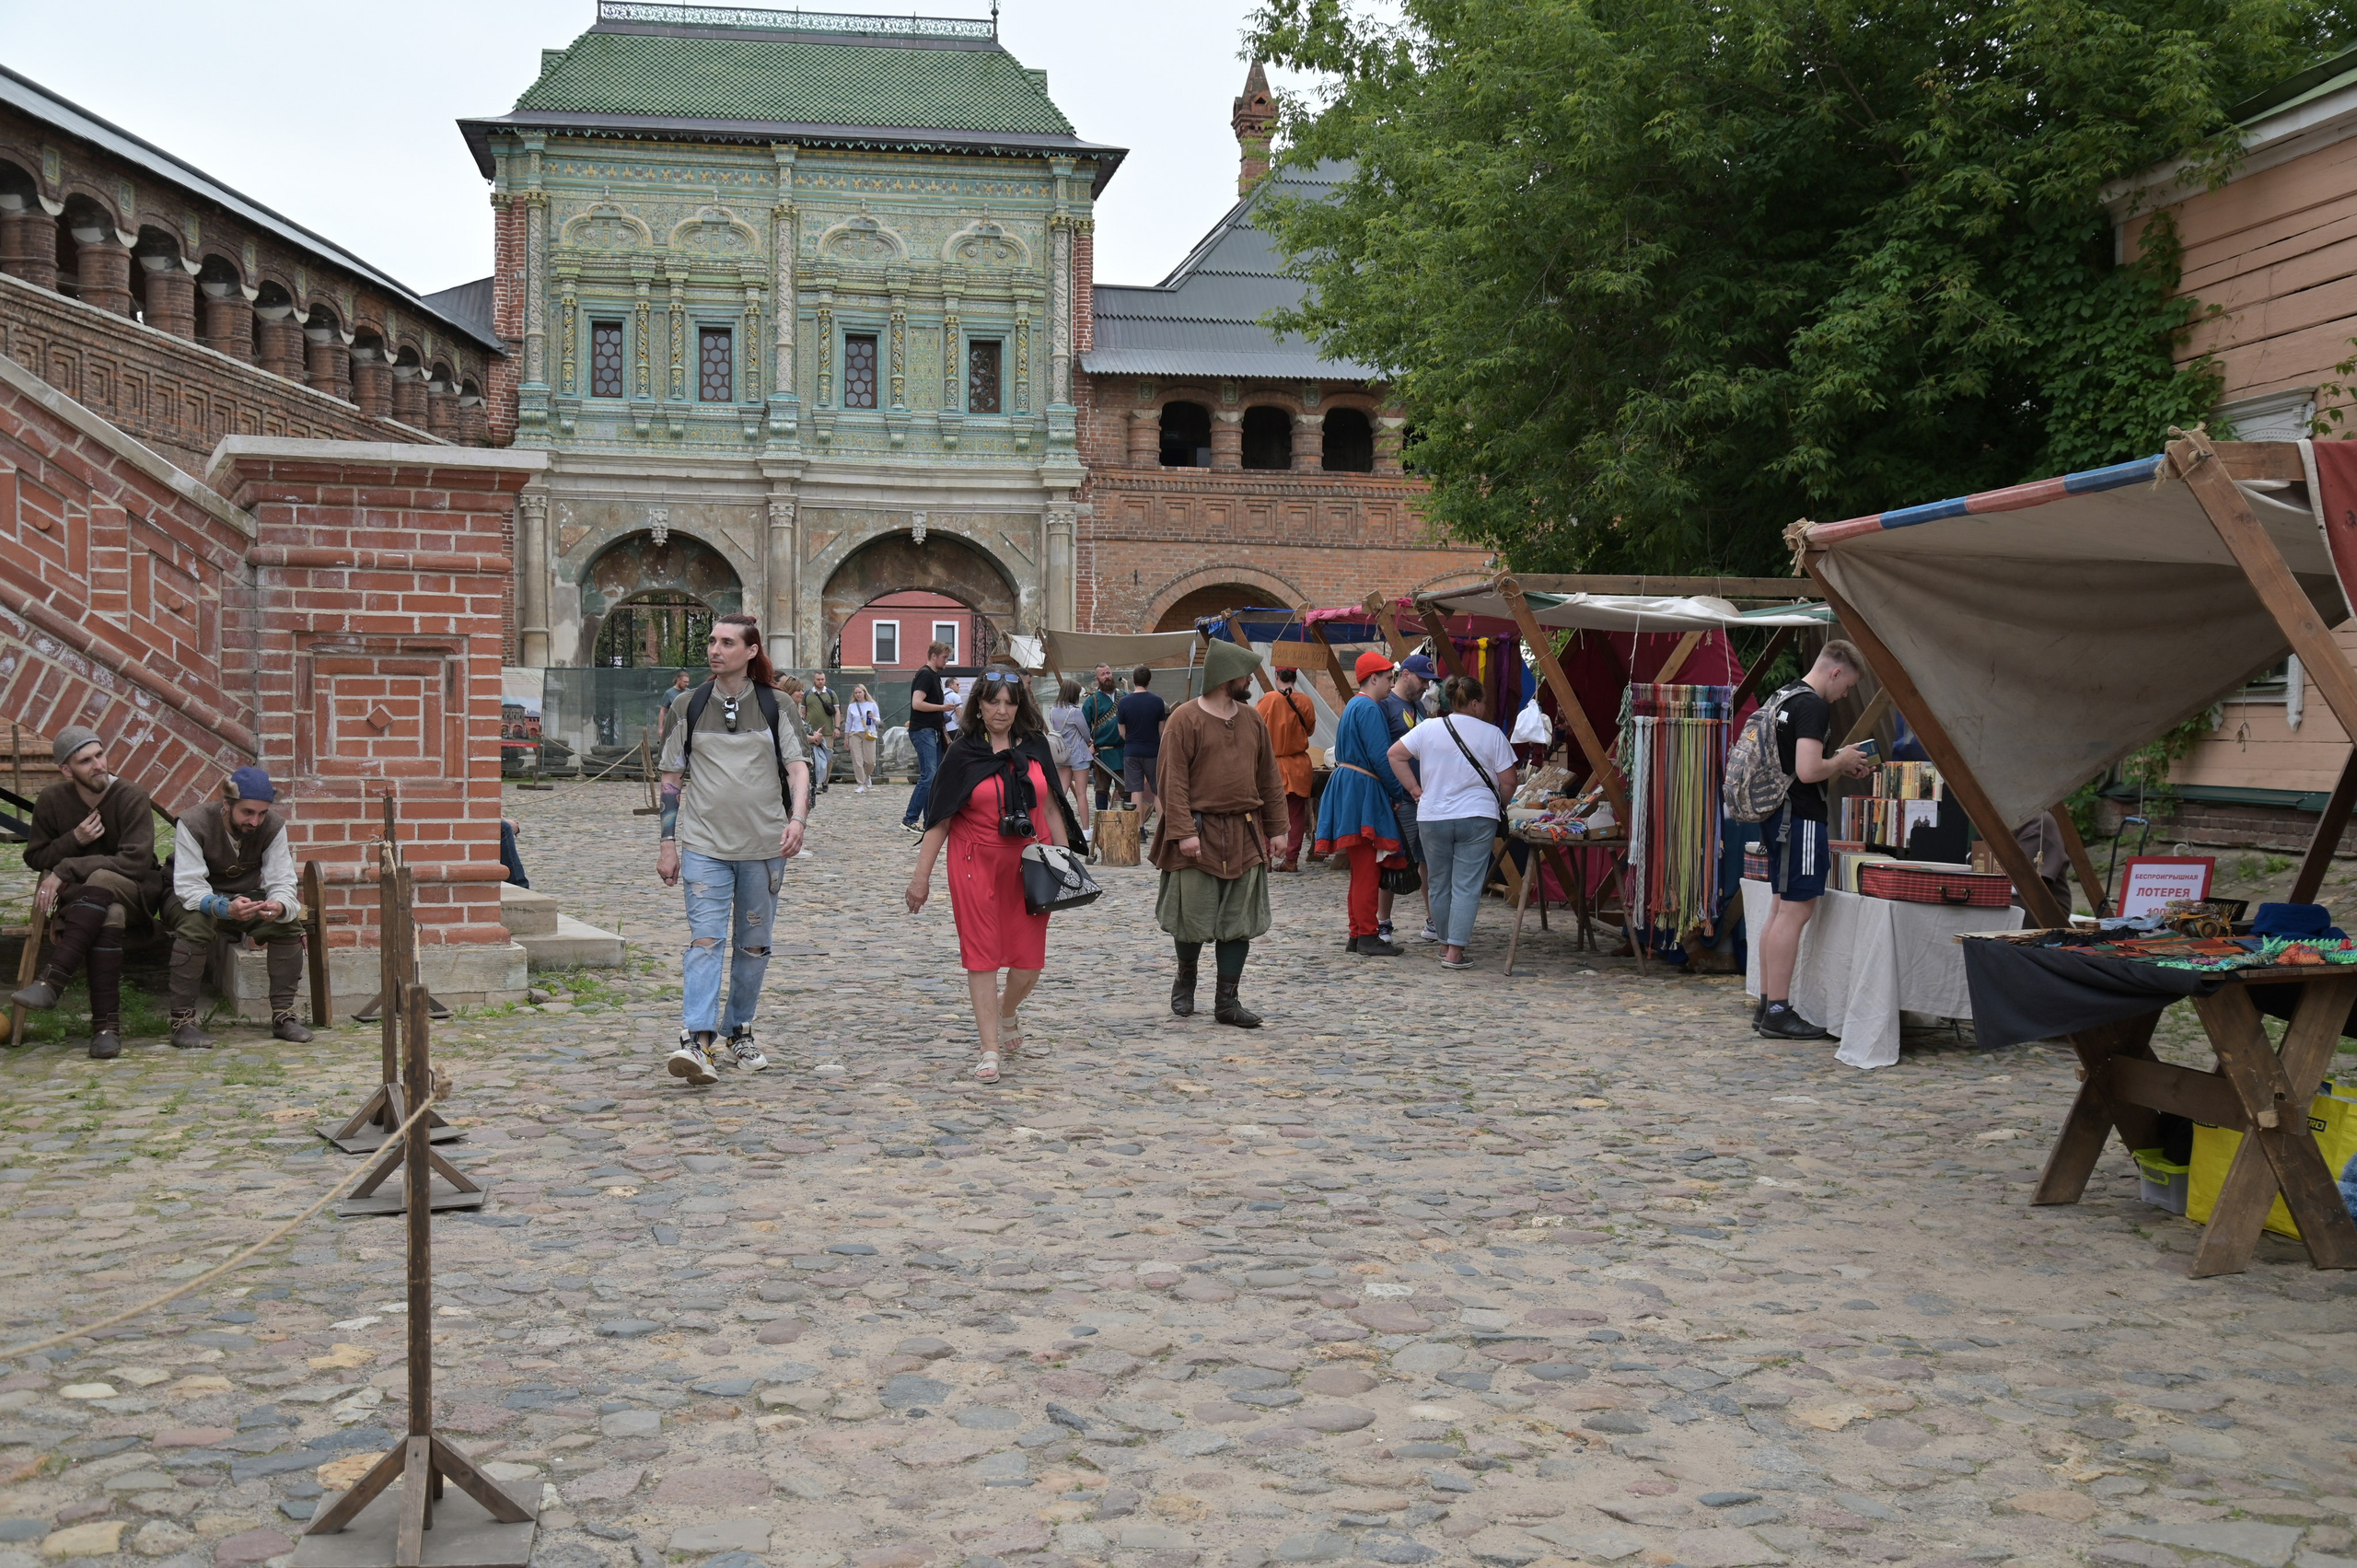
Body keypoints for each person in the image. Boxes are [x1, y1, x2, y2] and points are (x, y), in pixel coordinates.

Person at [904, 669, 1085, 1084]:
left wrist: (1065, 865)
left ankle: (1007, 1010)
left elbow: (1052, 806)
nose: (1001, 710)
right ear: (979, 705)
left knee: (1029, 963)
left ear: (1020, 706)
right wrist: (920, 878)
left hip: (1030, 864)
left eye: (1009, 702)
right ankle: (989, 1049)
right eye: (993, 702)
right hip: (975, 862)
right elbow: (940, 818)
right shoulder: (962, 752)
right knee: (982, 955)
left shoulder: (1035, 746)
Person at [657, 612, 813, 1084]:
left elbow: (798, 767)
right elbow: (671, 778)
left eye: (727, 642)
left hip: (764, 846)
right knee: (705, 941)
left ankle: (739, 1030)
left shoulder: (776, 704)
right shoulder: (688, 704)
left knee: (753, 945)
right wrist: (667, 843)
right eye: (712, 641)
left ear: (751, 651)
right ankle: (697, 1040)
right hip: (704, 845)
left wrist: (798, 820)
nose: (715, 649)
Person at [1152, 638, 1287, 1027]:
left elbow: (1269, 777)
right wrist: (1183, 831)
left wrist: (1277, 828)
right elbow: (1172, 781)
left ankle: (1227, 1002)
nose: (1250, 680)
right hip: (1199, 832)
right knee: (1192, 915)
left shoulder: (1252, 719)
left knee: (1238, 921)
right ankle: (1185, 978)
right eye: (1245, 674)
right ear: (1227, 677)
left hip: (1245, 833)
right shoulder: (1184, 720)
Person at [12, 726, 164, 1060]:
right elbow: (35, 857)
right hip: (85, 903)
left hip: (135, 892)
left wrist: (66, 868)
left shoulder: (131, 795)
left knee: (102, 877)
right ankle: (106, 1031)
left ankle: (52, 981)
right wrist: (74, 840)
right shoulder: (52, 800)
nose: (98, 765)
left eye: (100, 755)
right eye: (85, 761)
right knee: (109, 913)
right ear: (67, 770)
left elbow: (136, 862)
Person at [1756, 640, 1876, 1040]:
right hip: (1801, 819)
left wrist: (1838, 759)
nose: (1844, 695)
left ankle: (1767, 1003)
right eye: (1847, 686)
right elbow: (1808, 772)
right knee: (1794, 913)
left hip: (1777, 815)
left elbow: (1796, 762)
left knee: (1779, 910)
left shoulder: (1785, 695)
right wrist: (1839, 761)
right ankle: (1778, 1011)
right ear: (1835, 672)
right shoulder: (1812, 706)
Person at [162, 767, 314, 1050]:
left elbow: (282, 879)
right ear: (227, 804)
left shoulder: (273, 827)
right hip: (185, 897)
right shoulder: (194, 822)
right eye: (247, 812)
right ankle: (182, 1023)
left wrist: (279, 904)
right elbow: (189, 886)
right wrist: (223, 907)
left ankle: (284, 1017)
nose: (255, 821)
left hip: (242, 897)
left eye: (262, 813)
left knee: (288, 923)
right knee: (196, 924)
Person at [1389, 675, 1520, 970]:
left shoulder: (1428, 728)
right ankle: (1455, 952)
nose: (1484, 708)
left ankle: (1444, 943)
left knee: (1438, 883)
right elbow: (1509, 781)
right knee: (1466, 885)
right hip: (1477, 816)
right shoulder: (1492, 734)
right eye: (1483, 703)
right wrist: (1499, 803)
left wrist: (1414, 790)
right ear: (1474, 703)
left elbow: (1395, 754)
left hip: (1433, 815)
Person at [1313, 651, 1407, 956]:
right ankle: (1367, 935)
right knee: (1367, 869)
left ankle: (1357, 934)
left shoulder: (1354, 705)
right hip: (1362, 790)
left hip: (1350, 786)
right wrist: (1397, 793)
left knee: (1360, 869)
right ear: (1373, 678)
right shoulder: (1369, 708)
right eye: (1389, 678)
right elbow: (1382, 757)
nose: (1391, 684)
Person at [1376, 652, 1435, 943]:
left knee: (1428, 861)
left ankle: (1434, 921)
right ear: (1407, 675)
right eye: (1423, 680)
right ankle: (1382, 922)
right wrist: (1391, 792)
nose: (1426, 686)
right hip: (1400, 798)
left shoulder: (1420, 706)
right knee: (1393, 857)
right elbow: (1380, 752)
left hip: (1425, 797)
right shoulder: (1385, 705)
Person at [1256, 666, 1318, 872]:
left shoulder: (1269, 699)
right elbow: (1310, 730)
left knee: (1266, 813)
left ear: (1277, 676)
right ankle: (1291, 861)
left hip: (1272, 767)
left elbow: (1256, 727)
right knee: (1296, 815)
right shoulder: (1306, 701)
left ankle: (1266, 858)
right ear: (1295, 677)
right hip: (1299, 766)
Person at [901, 639, 954, 835]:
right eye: (944, 657)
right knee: (929, 775)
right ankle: (910, 818)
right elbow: (917, 703)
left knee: (934, 777)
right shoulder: (925, 674)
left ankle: (930, 820)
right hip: (924, 731)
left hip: (932, 731)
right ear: (934, 656)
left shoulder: (933, 676)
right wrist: (942, 708)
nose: (946, 661)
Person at [1117, 667, 1168, 835]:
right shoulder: (1158, 702)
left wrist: (1132, 740)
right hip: (1153, 751)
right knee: (1157, 791)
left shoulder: (1124, 702)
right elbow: (1162, 730)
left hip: (1132, 751)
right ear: (1149, 681)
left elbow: (1122, 732)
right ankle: (1162, 830)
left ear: (1133, 680)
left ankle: (1140, 830)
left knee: (1136, 790)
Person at [1048, 679, 1093, 830]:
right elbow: (1085, 733)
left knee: (1061, 793)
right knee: (1081, 794)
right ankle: (1086, 830)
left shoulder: (1053, 710)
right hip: (1078, 755)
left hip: (1062, 754)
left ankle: (1054, 825)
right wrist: (1089, 742)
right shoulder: (1075, 712)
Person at [1083, 664, 1125, 812]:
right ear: (1097, 678)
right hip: (1102, 754)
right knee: (1101, 790)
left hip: (1122, 752)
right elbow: (1083, 727)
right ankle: (1101, 822)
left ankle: (1129, 823)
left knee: (1126, 790)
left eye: (1108, 673)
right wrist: (1089, 745)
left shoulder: (1124, 696)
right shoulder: (1092, 701)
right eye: (1103, 674)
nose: (1107, 676)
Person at [805, 671, 840, 795]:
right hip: (811, 731)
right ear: (813, 680)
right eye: (818, 679)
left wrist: (837, 727)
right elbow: (803, 712)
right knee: (812, 756)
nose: (820, 681)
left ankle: (825, 781)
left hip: (828, 731)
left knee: (827, 757)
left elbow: (837, 711)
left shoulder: (831, 694)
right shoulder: (807, 694)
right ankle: (814, 781)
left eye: (822, 679)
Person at [843, 684, 882, 793]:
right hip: (855, 733)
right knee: (857, 760)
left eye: (860, 692)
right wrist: (846, 738)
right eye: (856, 693)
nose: (858, 695)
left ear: (864, 692)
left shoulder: (872, 704)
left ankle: (867, 775)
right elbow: (848, 723)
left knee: (870, 761)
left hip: (869, 733)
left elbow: (878, 720)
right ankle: (860, 784)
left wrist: (873, 718)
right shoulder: (852, 706)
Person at [656, 670, 694, 740]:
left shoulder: (689, 692)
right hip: (673, 725)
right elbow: (662, 711)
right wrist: (660, 728)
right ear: (678, 680)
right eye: (685, 682)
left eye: (688, 682)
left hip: (686, 725)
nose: (687, 684)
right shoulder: (669, 693)